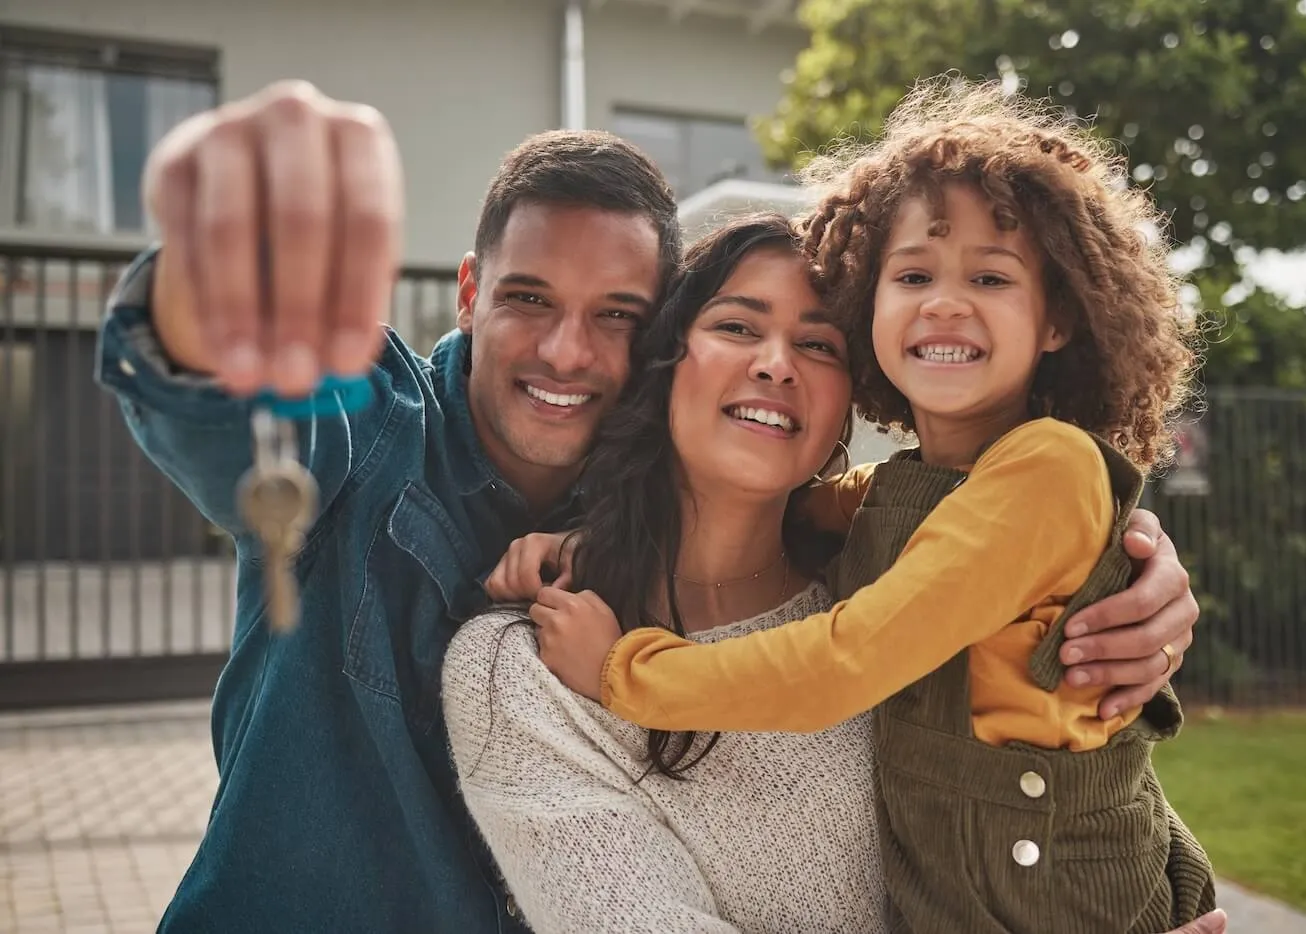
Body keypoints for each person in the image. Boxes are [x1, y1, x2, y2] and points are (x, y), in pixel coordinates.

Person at [97, 79, 1204, 932]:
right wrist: (213, 274)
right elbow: (241, 405)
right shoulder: (414, 483)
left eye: (814, 342)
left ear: (844, 401)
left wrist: (1120, 567)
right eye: (529, 299)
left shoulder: (870, 570)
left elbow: (1032, 773)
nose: (569, 349)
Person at [525, 80, 1216, 933]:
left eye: (991, 276)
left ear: (1058, 320)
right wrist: (588, 540)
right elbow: (795, 510)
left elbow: (844, 663)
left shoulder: (1050, 465)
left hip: (1061, 895)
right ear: (870, 308)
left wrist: (620, 672)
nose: (944, 301)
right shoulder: (908, 486)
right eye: (913, 273)